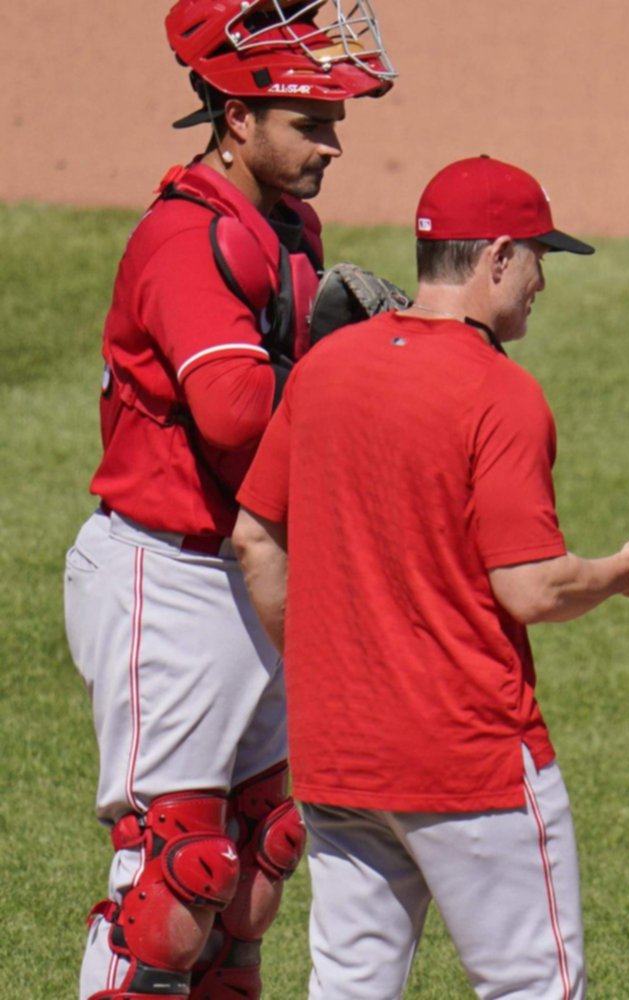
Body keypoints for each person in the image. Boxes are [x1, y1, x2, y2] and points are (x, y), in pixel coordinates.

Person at [233, 155, 629, 998]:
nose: (541, 283)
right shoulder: (499, 395)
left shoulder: (323, 371)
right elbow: (530, 587)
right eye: (537, 260)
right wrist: (627, 569)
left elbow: (255, 541)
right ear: (496, 258)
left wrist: (320, 666)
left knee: (347, 987)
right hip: (468, 762)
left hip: (339, 754)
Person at [63, 2, 395, 996]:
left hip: (245, 571)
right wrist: (353, 368)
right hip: (168, 579)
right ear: (236, 117)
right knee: (171, 877)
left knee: (248, 877)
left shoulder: (284, 222)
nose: (333, 143)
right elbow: (241, 418)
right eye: (312, 121)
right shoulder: (187, 241)